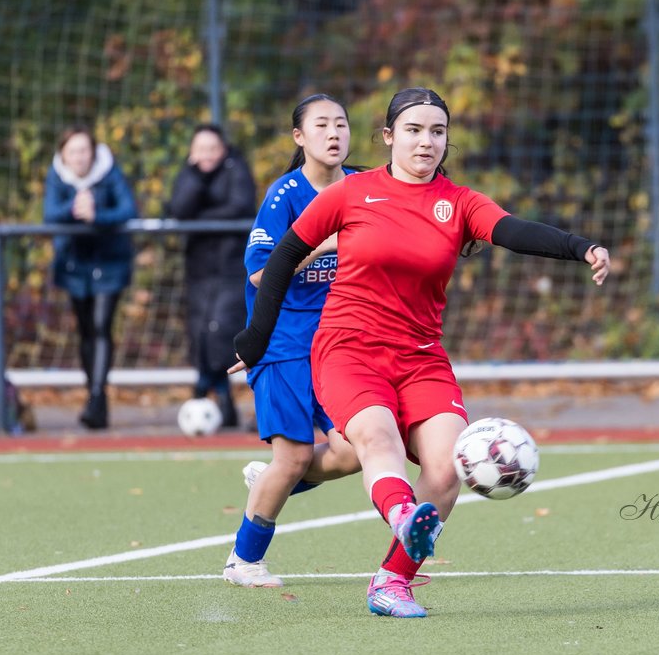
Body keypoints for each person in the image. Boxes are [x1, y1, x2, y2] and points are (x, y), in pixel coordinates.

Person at [232, 87, 611, 618]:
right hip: (348, 350)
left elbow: (516, 231)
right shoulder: (351, 193)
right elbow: (282, 260)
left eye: (437, 131)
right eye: (413, 130)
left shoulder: (459, 203)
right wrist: (254, 340)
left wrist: (581, 247)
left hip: (421, 357)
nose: (426, 141)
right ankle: (405, 516)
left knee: (447, 466)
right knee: (376, 437)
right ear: (388, 137)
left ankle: (391, 582)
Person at [224, 94, 364, 588]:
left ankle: (271, 482)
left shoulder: (366, 187)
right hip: (283, 343)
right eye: (321, 125)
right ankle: (244, 561)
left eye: (341, 124)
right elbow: (263, 274)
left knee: (354, 451)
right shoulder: (284, 195)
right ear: (299, 138)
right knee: (296, 456)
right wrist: (325, 244)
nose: (334, 133)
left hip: (340, 344)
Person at [43, 125, 138, 429]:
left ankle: (97, 396)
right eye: (73, 151)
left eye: (84, 150)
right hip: (74, 265)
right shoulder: (57, 176)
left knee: (100, 326)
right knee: (85, 330)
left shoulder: (110, 172)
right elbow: (50, 213)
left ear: (93, 152)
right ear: (64, 155)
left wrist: (96, 216)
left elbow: (127, 209)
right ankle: (93, 393)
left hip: (109, 263)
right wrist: (74, 209)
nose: (79, 157)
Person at [166, 124, 256, 429]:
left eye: (211, 148)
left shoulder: (237, 169)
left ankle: (217, 397)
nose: (205, 155)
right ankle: (215, 398)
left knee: (221, 332)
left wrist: (200, 219)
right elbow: (178, 208)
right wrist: (196, 178)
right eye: (199, 149)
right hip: (199, 269)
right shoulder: (189, 174)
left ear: (223, 149)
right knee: (201, 333)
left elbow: (240, 206)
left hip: (231, 267)